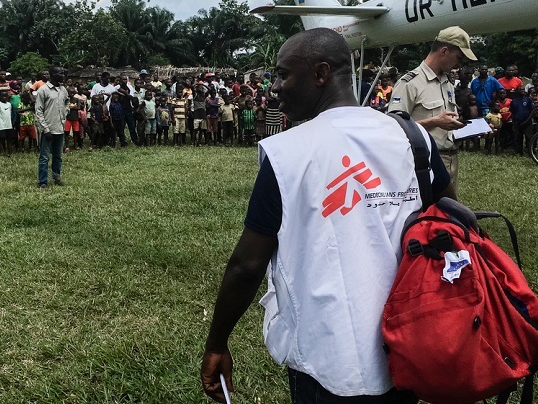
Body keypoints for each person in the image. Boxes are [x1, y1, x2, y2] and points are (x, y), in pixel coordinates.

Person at [201, 28, 453, 404]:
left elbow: (247, 265)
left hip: (329, 358)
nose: (275, 86)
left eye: (283, 74)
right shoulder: (413, 137)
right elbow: (450, 219)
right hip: (409, 346)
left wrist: (217, 342)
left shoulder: (287, 153)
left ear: (320, 74)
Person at [388, 26, 476, 191]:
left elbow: (446, 125)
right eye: (459, 58)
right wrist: (435, 121)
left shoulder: (447, 83)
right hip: (424, 162)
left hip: (450, 159)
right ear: (444, 51)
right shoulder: (410, 83)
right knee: (427, 213)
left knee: (447, 213)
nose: (459, 65)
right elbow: (394, 129)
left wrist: (468, 129)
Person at [35, 66, 68, 188]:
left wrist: (65, 116)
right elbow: (38, 111)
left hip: (60, 128)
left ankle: (56, 177)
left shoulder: (63, 89)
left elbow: (66, 103)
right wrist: (45, 128)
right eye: (60, 73)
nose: (63, 75)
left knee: (58, 156)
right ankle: (43, 181)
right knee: (44, 157)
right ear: (53, 75)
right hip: (48, 130)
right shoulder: (43, 90)